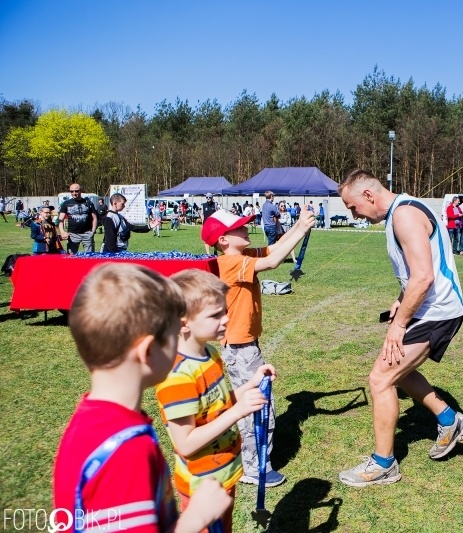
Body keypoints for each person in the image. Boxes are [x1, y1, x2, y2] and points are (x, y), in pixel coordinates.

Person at [53, 263, 232, 533]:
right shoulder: (127, 451)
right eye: (174, 336)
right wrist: (196, 517)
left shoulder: (90, 421)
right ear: (148, 352)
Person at [337, 169, 463, 487]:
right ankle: (450, 420)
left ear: (368, 195)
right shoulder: (399, 213)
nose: (353, 214)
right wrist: (401, 300)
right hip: (430, 309)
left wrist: (398, 327)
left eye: (352, 206)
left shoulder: (405, 216)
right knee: (400, 372)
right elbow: (415, 274)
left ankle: (384, 464)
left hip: (437, 312)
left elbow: (424, 277)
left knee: (381, 379)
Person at [201, 207, 315, 487]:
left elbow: (275, 248)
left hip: (246, 344)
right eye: (240, 228)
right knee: (258, 404)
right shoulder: (227, 263)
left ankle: (250, 460)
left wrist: (300, 225)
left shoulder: (243, 255)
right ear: (224, 240)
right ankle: (254, 467)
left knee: (255, 402)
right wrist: (300, 229)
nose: (246, 229)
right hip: (240, 348)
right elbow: (275, 261)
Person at [155, 270, 275, 533]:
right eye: (215, 315)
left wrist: (251, 384)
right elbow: (185, 443)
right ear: (183, 322)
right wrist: (239, 412)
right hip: (202, 488)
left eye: (225, 310)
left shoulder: (209, 353)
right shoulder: (178, 378)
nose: (227, 318)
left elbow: (218, 405)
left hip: (223, 476)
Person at [58, 184, 97, 254]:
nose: (74, 193)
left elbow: (94, 218)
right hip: (73, 234)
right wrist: (62, 231)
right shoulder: (66, 203)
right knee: (71, 257)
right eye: (72, 191)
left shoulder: (88, 203)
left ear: (80, 191)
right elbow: (60, 219)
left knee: (90, 256)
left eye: (76, 191)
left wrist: (93, 231)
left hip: (87, 233)